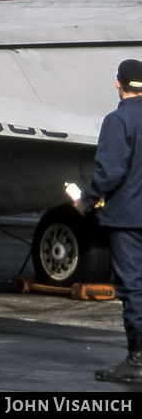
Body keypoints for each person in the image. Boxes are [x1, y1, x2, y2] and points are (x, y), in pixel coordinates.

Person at [80, 59, 142, 383]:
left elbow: (111, 171)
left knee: (134, 287)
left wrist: (85, 200)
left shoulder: (117, 120)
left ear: (119, 84)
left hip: (129, 218)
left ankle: (138, 360)